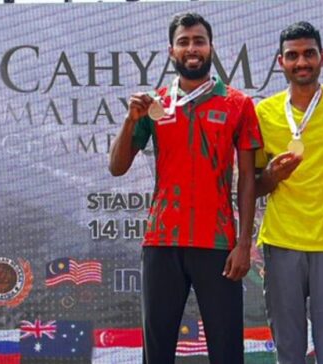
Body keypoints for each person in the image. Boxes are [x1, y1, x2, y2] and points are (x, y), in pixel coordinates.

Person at [108, 12, 262, 364]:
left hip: (218, 243)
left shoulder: (237, 103)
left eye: (198, 41)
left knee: (226, 350)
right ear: (170, 51)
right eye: (184, 42)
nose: (192, 48)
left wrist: (243, 244)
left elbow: (249, 178)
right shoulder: (153, 103)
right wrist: (131, 121)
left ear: (211, 48)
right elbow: (117, 167)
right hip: (162, 240)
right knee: (157, 349)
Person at [254, 21, 323, 364]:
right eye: (293, 55)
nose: (301, 62)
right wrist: (272, 175)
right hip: (282, 243)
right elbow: (254, 183)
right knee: (288, 351)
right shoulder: (264, 113)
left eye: (308, 54)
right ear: (280, 62)